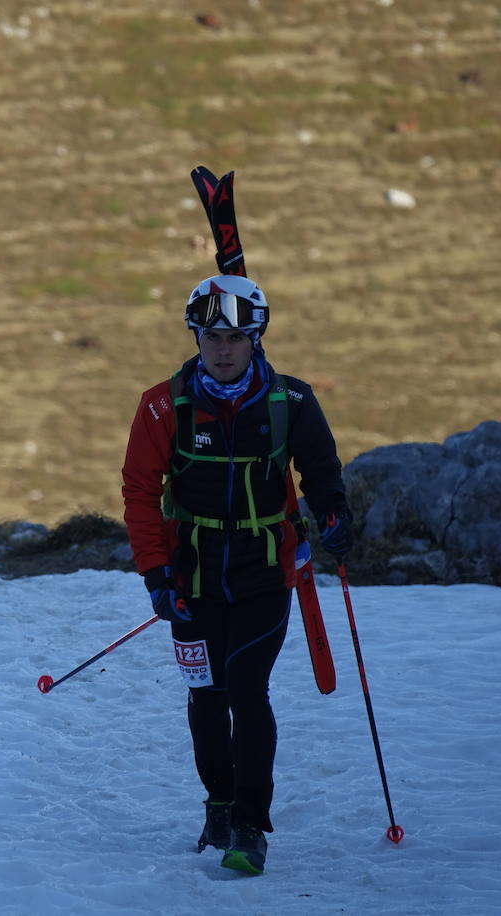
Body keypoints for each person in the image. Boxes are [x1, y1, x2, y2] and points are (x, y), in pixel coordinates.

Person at [120, 274, 353, 875]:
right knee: (206, 695)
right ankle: (218, 805)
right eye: (212, 335)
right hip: (189, 578)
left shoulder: (291, 401)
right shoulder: (161, 404)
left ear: (257, 337)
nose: (223, 348)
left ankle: (250, 827)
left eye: (236, 336)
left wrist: (333, 516)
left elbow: (322, 471)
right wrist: (155, 574)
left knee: (247, 692)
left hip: (263, 574)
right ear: (196, 335)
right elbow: (140, 493)